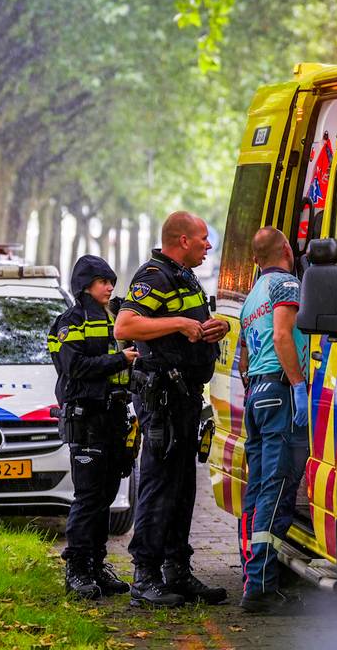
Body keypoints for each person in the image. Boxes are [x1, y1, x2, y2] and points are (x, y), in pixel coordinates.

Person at [114, 211, 230, 608]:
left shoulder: (184, 275)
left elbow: (190, 325)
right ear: (182, 240)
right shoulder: (154, 276)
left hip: (184, 395)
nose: (208, 245)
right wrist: (180, 323)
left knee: (182, 487)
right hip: (161, 396)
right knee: (159, 484)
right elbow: (125, 327)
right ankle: (144, 576)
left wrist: (213, 328)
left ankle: (176, 571)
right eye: (202, 239)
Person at [48, 255, 140, 599]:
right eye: (103, 281)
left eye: (111, 281)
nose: (110, 287)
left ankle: (97, 564)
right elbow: (75, 366)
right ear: (86, 284)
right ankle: (77, 569)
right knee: (87, 498)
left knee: (104, 496)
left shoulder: (115, 316)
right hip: (86, 418)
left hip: (114, 416)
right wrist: (120, 360)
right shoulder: (69, 322)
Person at [236, 227, 311, 614]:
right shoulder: (287, 285)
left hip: (256, 394)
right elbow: (284, 336)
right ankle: (262, 587)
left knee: (259, 486)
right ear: (286, 250)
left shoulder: (251, 298)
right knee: (278, 490)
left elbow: (244, 358)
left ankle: (252, 574)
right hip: (280, 391)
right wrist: (298, 385)